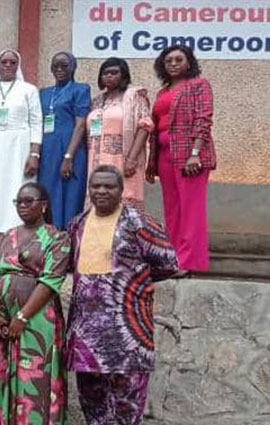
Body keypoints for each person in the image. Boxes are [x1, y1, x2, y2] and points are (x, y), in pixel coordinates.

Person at [67, 166, 178, 425]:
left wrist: (132, 287)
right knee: (92, 397)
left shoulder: (138, 222)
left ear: (120, 190)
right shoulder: (79, 223)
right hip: (85, 332)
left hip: (127, 331)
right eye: (96, 186)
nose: (101, 192)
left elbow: (168, 262)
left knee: (128, 401)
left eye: (108, 187)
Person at [0, 182, 71, 425]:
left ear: (43, 204)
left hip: (36, 321)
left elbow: (50, 281)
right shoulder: (6, 236)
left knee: (31, 382)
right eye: (18, 201)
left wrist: (22, 316)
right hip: (3, 322)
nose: (22, 205)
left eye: (28, 200)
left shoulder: (57, 238)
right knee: (3, 379)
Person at [148, 45, 215, 272]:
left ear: (188, 63)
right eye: (169, 61)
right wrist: (151, 162)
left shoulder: (198, 86)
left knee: (191, 210)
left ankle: (189, 262)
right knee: (173, 210)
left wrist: (195, 153)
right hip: (165, 156)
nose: (174, 64)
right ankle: (173, 259)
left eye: (179, 60)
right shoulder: (162, 92)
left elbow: (203, 119)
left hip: (190, 157)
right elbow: (156, 127)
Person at [0, 49, 43, 268]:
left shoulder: (29, 90)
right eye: (4, 62)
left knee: (14, 196)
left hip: (18, 148)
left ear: (18, 64)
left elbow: (36, 122)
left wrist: (34, 153)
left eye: (12, 62)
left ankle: (12, 250)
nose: (8, 65)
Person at [87, 58, 153, 209]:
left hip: (123, 159)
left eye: (114, 72)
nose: (109, 76)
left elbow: (145, 126)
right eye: (105, 73)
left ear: (123, 75)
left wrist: (132, 158)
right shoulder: (97, 101)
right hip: (97, 160)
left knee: (124, 200)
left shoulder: (134, 96)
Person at [39, 52, 91, 229]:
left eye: (64, 65)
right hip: (48, 151)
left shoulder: (80, 89)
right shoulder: (44, 93)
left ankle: (68, 240)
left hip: (71, 150)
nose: (59, 69)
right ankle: (50, 238)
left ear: (73, 67)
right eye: (55, 66)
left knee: (70, 196)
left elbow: (80, 125)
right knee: (48, 194)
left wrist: (69, 156)